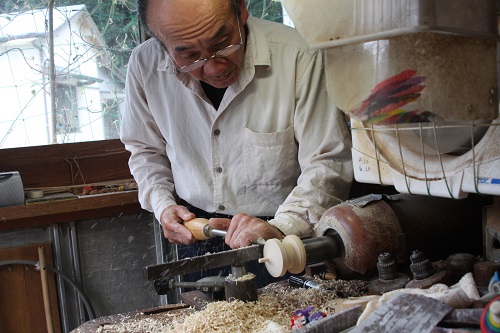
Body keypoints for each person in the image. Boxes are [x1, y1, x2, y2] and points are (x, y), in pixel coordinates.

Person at [120, 0, 353, 274]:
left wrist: (281, 228)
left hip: (284, 235)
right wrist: (163, 205)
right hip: (196, 233)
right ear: (160, 42)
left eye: (223, 43)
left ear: (241, 9)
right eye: (190, 56)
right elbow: (145, 151)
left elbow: (327, 161)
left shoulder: (299, 55)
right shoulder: (145, 65)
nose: (215, 68)